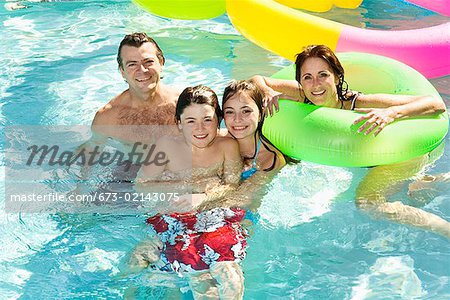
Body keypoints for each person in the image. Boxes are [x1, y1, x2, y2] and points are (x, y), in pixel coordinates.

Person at [249, 44, 449, 237]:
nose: (315, 84)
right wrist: (267, 92)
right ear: (300, 82)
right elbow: (255, 79)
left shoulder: (357, 102)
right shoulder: (302, 95)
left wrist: (391, 113)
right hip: (371, 160)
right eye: (307, 77)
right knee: (416, 190)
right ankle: (441, 180)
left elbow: (435, 103)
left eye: (323, 75)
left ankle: (444, 229)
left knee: (368, 203)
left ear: (336, 77)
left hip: (398, 154)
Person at [130, 85, 247, 299]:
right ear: (179, 123)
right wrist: (182, 189)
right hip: (175, 215)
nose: (200, 128)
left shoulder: (227, 146)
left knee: (228, 272)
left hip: (213, 215)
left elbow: (232, 185)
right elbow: (141, 184)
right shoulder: (166, 146)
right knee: (192, 272)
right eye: (191, 121)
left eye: (207, 120)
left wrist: (202, 196)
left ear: (218, 120)